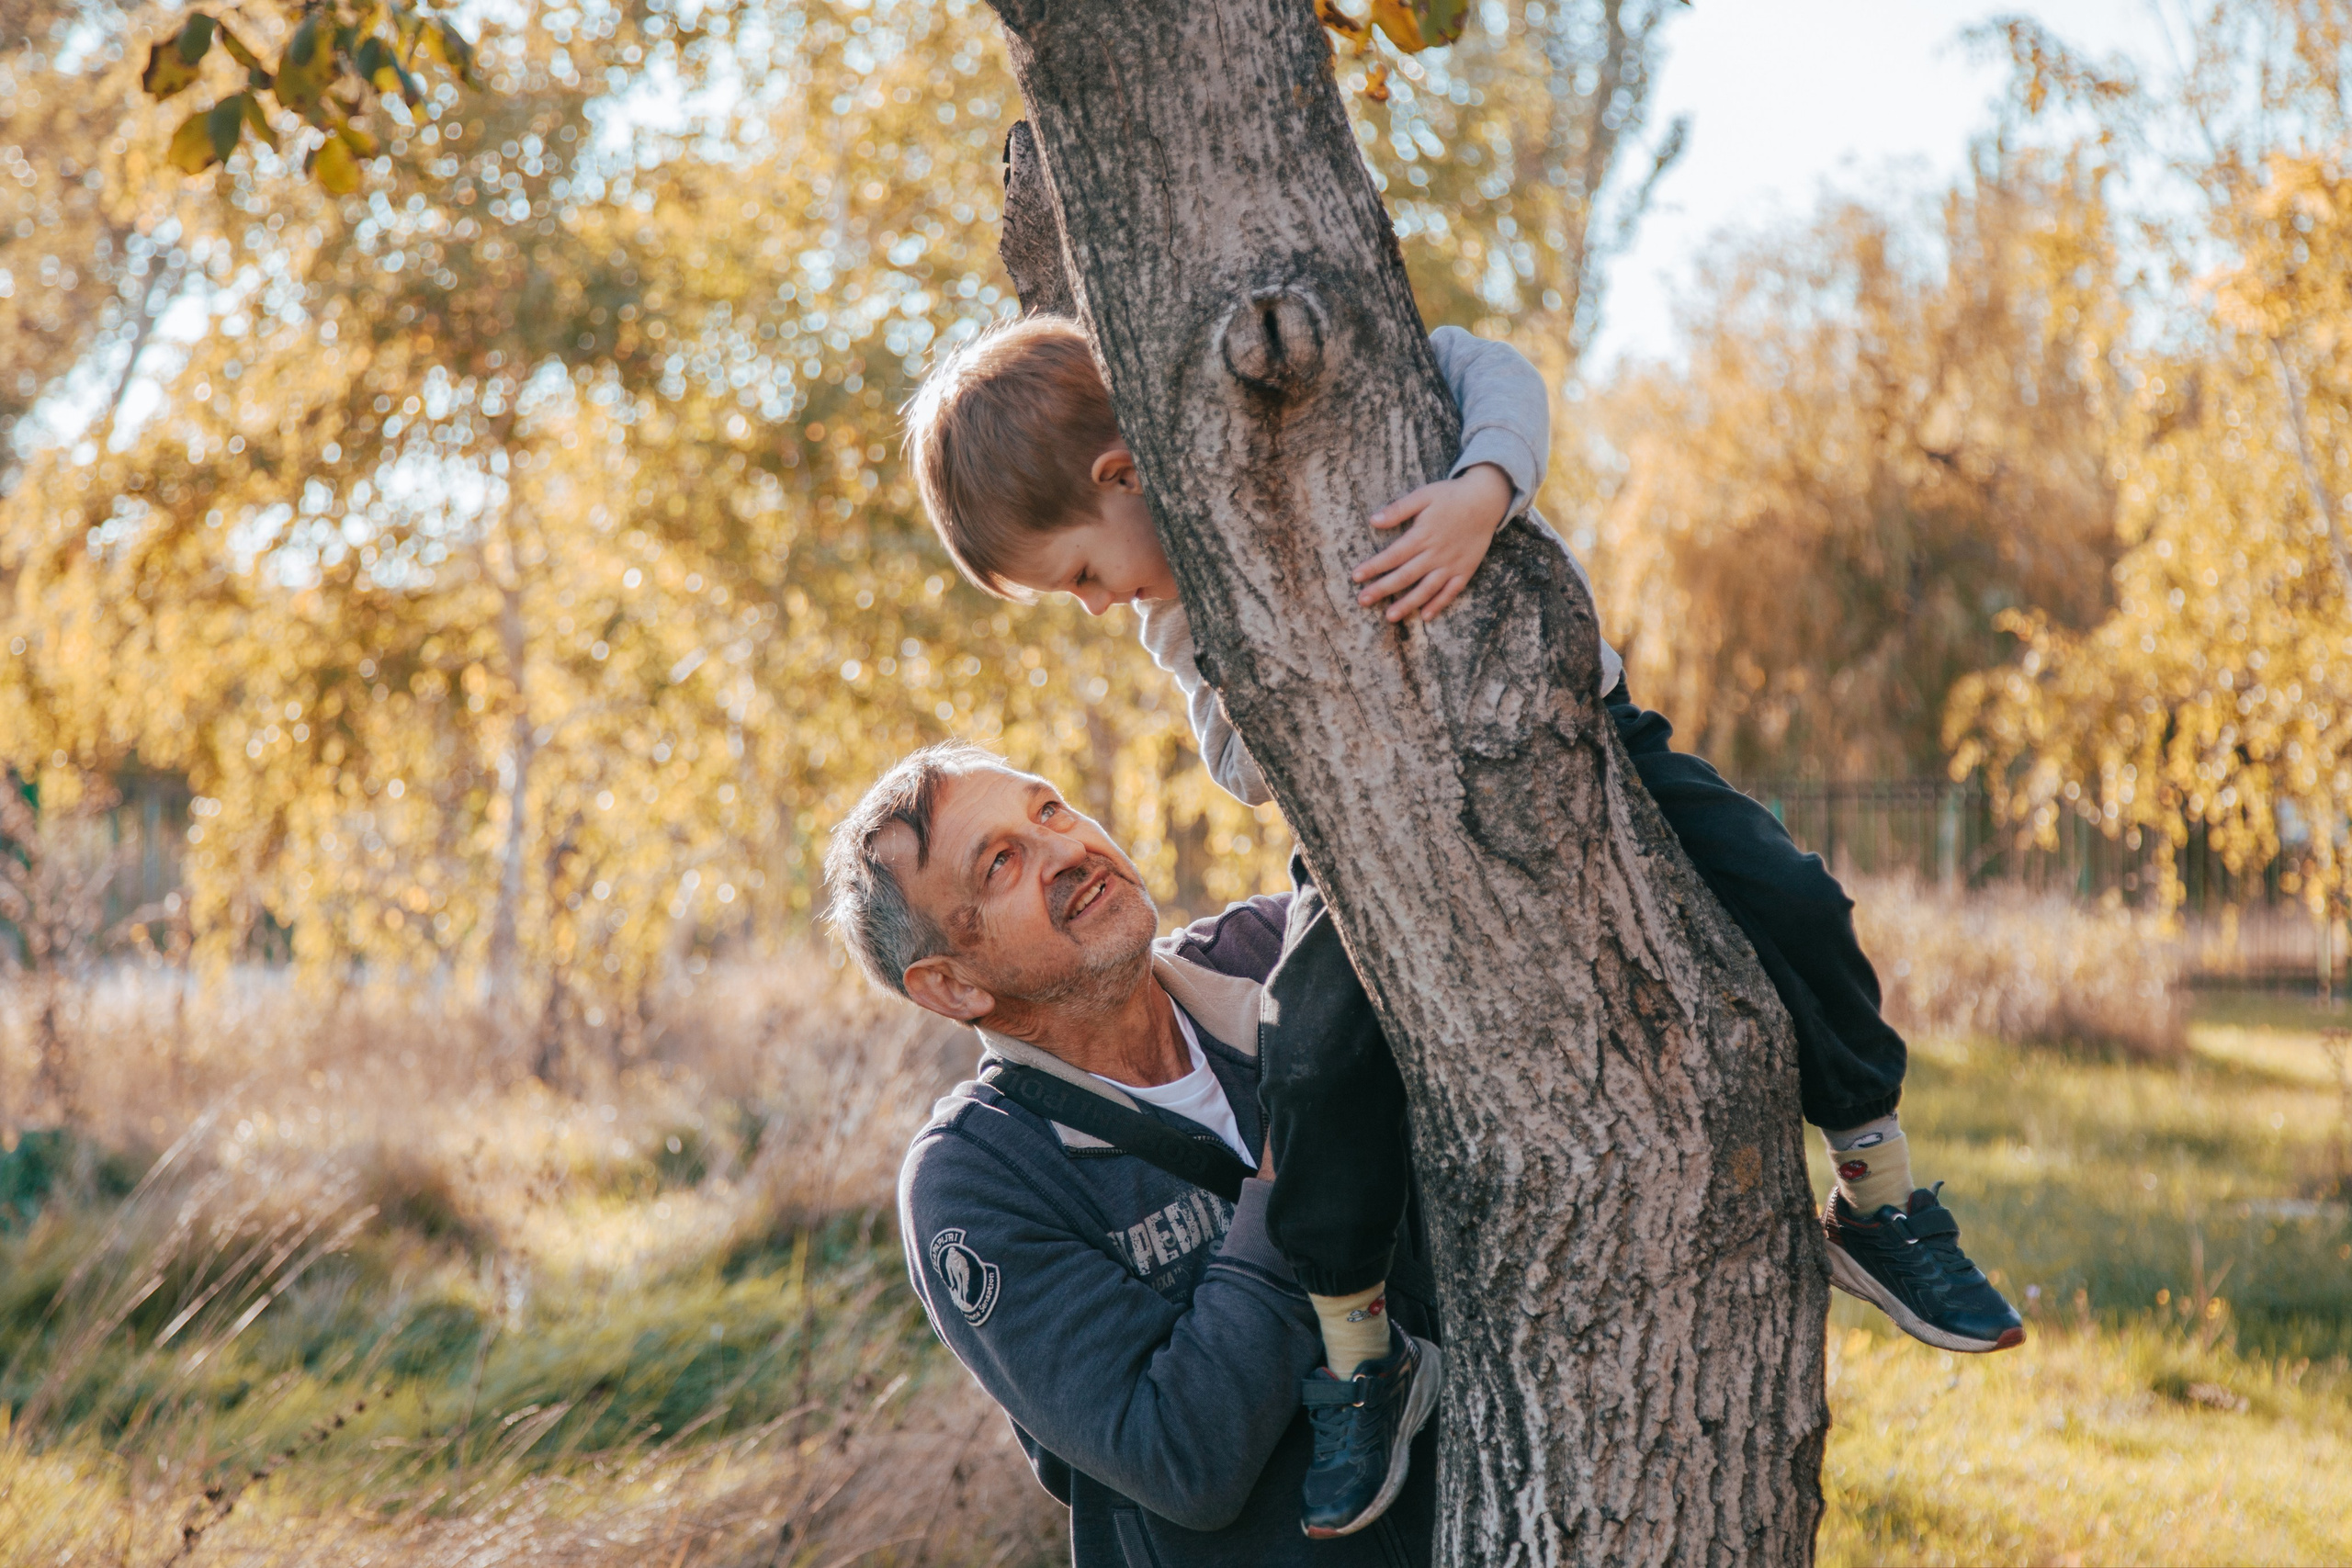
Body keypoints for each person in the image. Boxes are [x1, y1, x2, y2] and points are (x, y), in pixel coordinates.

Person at [899, 316, 2024, 1533]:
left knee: (1793, 898)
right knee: (1316, 1053)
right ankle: (1363, 1353)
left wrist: (1480, 495)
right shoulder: (1180, 609)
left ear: (1121, 477)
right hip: (1372, 840)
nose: (1094, 603)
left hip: (1585, 749)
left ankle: (1880, 1190)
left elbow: (1489, 367)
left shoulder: (1317, 406)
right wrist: (1277, 680)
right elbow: (1238, 759)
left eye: (1076, 574)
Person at [827, 745, 1442, 1565]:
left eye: (1050, 809)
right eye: (1002, 863)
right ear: (953, 987)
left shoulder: (1275, 954)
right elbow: (1185, 1458)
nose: (1067, 850)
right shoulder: (975, 1179)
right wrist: (1299, 1154)